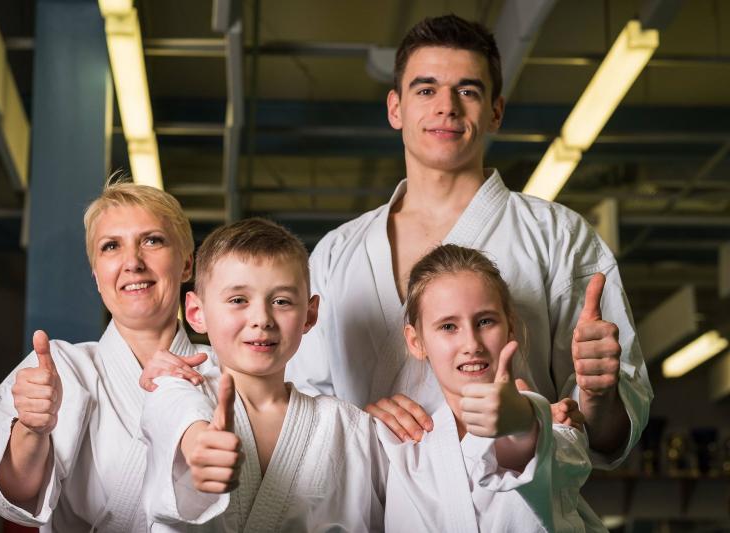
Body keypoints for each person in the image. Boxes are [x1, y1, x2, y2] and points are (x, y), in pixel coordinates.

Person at [285, 14, 652, 468]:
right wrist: (356, 422)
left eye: (468, 91)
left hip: (518, 500)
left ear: (495, 111)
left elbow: (609, 435)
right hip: (375, 501)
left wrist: (600, 396)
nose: (447, 107)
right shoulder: (337, 252)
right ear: (395, 108)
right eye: (426, 90)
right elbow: (299, 409)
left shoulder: (559, 237)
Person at [0, 182, 213, 532]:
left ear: (186, 264)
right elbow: (16, 494)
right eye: (111, 246)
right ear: (97, 276)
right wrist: (32, 429)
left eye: (152, 241)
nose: (132, 262)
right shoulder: (61, 370)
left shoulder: (228, 372)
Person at [141, 218, 387, 532]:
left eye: (281, 301)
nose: (262, 319)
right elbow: (178, 417)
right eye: (238, 300)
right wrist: (199, 446)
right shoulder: (175, 390)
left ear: (310, 314)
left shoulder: (349, 427)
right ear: (196, 313)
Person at [379, 244, 604, 532]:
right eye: (448, 326)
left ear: (510, 327)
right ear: (416, 342)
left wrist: (524, 422)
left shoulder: (554, 427)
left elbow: (524, 450)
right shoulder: (400, 448)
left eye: (485, 321)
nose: (472, 344)